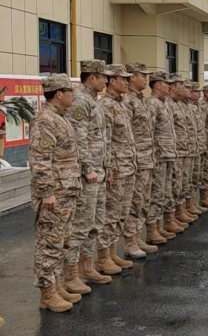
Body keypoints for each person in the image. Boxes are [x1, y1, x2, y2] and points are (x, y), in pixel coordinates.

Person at [30, 74, 82, 312]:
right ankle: (47, 293)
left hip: (67, 191)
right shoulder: (45, 120)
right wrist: (47, 192)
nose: (73, 94)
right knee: (49, 244)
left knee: (62, 242)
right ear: (59, 94)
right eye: (69, 91)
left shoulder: (61, 118)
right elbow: (40, 160)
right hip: (55, 194)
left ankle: (57, 284)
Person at [63, 60, 113, 294]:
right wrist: (88, 169)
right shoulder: (80, 101)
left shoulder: (94, 100)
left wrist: (105, 168)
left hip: (99, 172)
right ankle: (72, 274)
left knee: (95, 222)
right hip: (88, 175)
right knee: (81, 226)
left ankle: (87, 266)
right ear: (91, 77)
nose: (106, 80)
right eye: (103, 77)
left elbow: (100, 138)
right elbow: (78, 139)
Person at [96, 64, 136, 275]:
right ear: (112, 81)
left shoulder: (120, 104)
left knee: (121, 212)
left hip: (127, 165)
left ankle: (112, 253)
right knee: (110, 214)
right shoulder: (106, 106)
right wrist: (109, 169)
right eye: (123, 79)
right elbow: (106, 141)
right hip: (116, 168)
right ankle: (103, 257)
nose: (127, 82)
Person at [122, 62, 156, 259]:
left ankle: (137, 236)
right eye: (143, 75)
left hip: (145, 159)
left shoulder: (141, 100)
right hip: (134, 160)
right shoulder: (127, 101)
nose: (146, 79)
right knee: (133, 202)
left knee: (143, 200)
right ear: (132, 77)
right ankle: (130, 242)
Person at [144, 71, 178, 244]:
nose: (170, 87)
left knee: (164, 192)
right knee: (156, 194)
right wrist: (154, 153)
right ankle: (152, 229)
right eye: (167, 83)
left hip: (167, 154)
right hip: (159, 155)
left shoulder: (163, 103)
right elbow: (149, 131)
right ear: (158, 85)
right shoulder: (152, 104)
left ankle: (159, 225)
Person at [164, 74, 190, 233]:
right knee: (170, 187)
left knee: (180, 182)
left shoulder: (177, 104)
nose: (184, 88)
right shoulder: (164, 104)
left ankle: (177, 213)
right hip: (167, 152)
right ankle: (168, 220)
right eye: (181, 85)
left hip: (178, 149)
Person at [173, 75, 199, 225]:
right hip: (172, 152)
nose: (187, 90)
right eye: (183, 86)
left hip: (186, 149)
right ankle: (172, 217)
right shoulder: (159, 104)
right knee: (174, 185)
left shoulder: (185, 106)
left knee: (186, 180)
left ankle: (185, 208)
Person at [181, 81, 204, 219]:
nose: (193, 92)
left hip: (191, 148)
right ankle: (175, 215)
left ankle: (189, 205)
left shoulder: (189, 106)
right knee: (177, 184)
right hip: (176, 151)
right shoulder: (156, 104)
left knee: (191, 178)